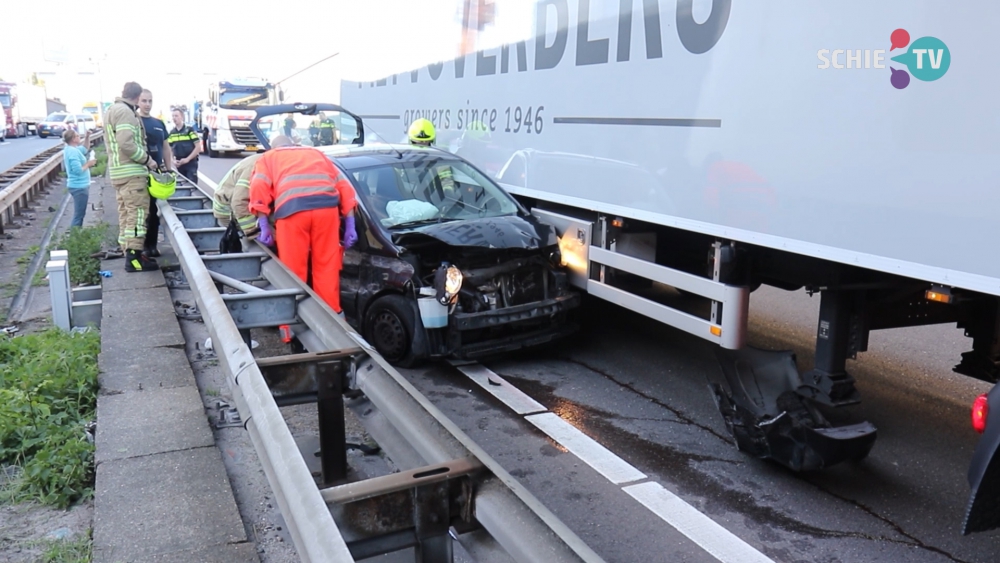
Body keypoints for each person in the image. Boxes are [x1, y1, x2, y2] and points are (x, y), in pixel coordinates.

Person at [248, 135, 358, 313]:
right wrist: (350, 222)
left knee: (292, 272)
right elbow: (345, 187)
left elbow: (258, 187)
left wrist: (263, 224)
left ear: (273, 147)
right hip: (326, 210)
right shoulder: (316, 154)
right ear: (293, 144)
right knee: (327, 267)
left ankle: (290, 326)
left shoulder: (269, 157)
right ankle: (332, 318)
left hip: (292, 212)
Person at [105, 82, 159, 272]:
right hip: (131, 173)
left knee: (126, 214)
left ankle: (128, 250)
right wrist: (147, 160)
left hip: (118, 172)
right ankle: (134, 259)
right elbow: (126, 143)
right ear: (137, 98)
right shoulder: (126, 112)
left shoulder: (112, 109)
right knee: (137, 215)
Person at [138, 89, 173, 258]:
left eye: (150, 101)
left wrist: (169, 168)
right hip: (141, 172)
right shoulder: (135, 122)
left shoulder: (159, 124)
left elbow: (166, 148)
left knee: (154, 211)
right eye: (144, 101)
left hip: (157, 173)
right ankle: (142, 246)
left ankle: (152, 245)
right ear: (138, 101)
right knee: (143, 211)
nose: (147, 104)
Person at [407, 118, 455, 193]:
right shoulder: (402, 160)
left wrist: (448, 191)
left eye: (426, 143)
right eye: (418, 143)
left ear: (432, 141)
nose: (422, 147)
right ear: (411, 141)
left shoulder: (438, 160)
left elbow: (446, 179)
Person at [62, 129, 96, 228]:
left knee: (80, 213)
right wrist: (89, 164)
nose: (79, 137)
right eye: (77, 136)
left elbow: (85, 148)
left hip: (78, 185)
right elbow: (77, 170)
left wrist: (87, 137)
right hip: (79, 187)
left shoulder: (72, 149)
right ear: (73, 139)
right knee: (79, 215)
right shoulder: (73, 152)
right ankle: (75, 237)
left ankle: (76, 235)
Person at [167, 108, 201, 182]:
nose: (174, 118)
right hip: (179, 164)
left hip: (191, 163)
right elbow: (170, 149)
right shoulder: (172, 133)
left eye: (176, 116)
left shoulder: (189, 130)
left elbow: (198, 147)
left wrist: (187, 159)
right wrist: (173, 160)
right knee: (183, 185)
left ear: (182, 117)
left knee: (192, 184)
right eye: (173, 116)